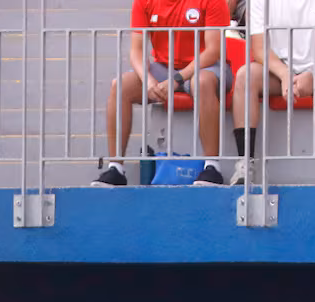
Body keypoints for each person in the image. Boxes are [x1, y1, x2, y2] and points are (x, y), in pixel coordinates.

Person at [91, 0, 233, 186]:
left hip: (206, 67)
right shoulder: (144, 2)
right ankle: (116, 168)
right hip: (163, 68)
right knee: (120, 85)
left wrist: (178, 79)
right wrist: (148, 80)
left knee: (202, 82)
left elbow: (213, 51)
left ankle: (212, 167)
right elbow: (136, 51)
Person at [230, 0, 315, 185]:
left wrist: (312, 74)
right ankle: (245, 163)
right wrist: (285, 74)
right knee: (245, 75)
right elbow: (259, 49)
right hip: (280, 70)